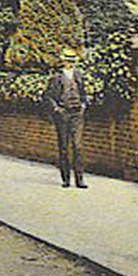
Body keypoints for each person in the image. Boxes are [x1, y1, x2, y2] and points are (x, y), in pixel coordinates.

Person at [42, 47, 90, 189]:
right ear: (62, 61)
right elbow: (48, 96)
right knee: (63, 147)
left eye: (72, 61)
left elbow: (83, 93)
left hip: (77, 114)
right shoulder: (56, 78)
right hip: (63, 114)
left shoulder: (78, 75)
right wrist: (57, 109)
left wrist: (83, 105)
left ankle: (80, 180)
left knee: (77, 147)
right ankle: (66, 179)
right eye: (67, 60)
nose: (69, 63)